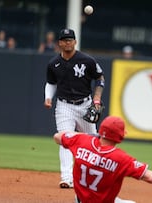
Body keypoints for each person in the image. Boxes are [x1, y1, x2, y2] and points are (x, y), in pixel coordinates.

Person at [53, 116, 152, 203]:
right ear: (120, 137)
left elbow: (57, 137)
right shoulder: (120, 158)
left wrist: (84, 136)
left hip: (80, 200)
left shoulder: (82, 141)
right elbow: (150, 177)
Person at [44, 28, 106, 189]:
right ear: (59, 43)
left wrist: (97, 99)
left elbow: (100, 78)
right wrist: (48, 98)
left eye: (70, 39)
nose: (67, 42)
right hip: (64, 106)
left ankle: (94, 178)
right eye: (64, 40)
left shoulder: (87, 60)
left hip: (85, 104)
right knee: (65, 140)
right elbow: (51, 83)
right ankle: (66, 177)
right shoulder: (53, 64)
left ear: (75, 42)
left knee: (93, 142)